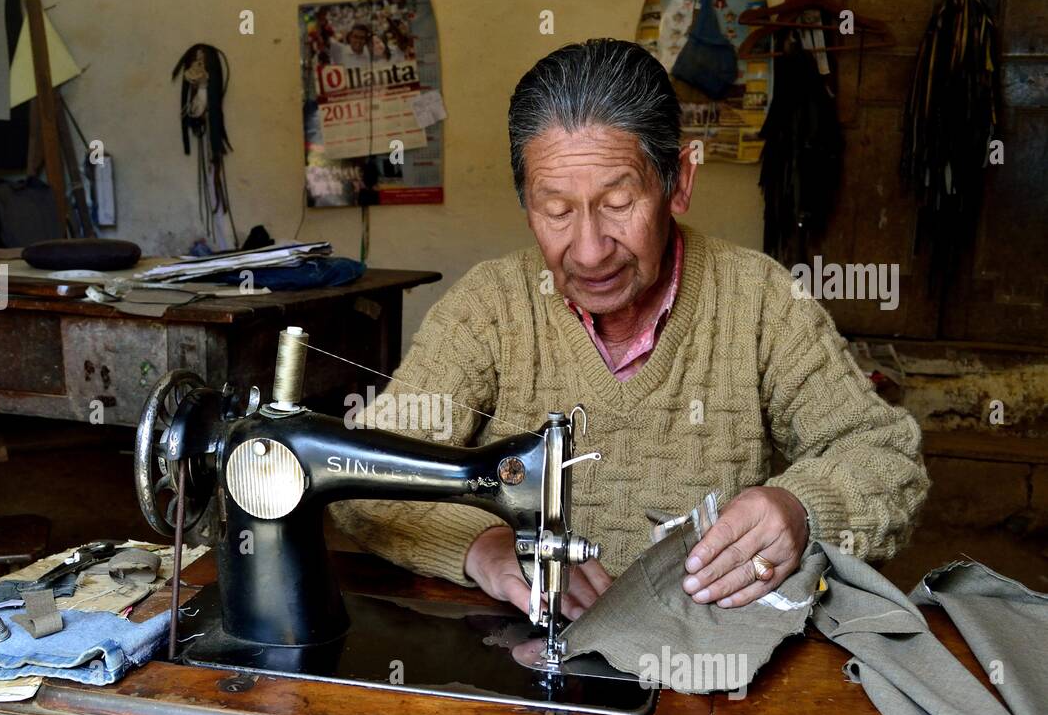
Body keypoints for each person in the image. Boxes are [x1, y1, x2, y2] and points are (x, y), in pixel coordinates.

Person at [331, 39, 929, 620]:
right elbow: (366, 475)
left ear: (679, 182)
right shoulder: (487, 311)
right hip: (527, 646)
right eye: (557, 211)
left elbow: (885, 457)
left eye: (619, 202)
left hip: (706, 658)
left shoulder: (761, 301)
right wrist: (483, 547)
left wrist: (800, 510)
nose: (589, 252)